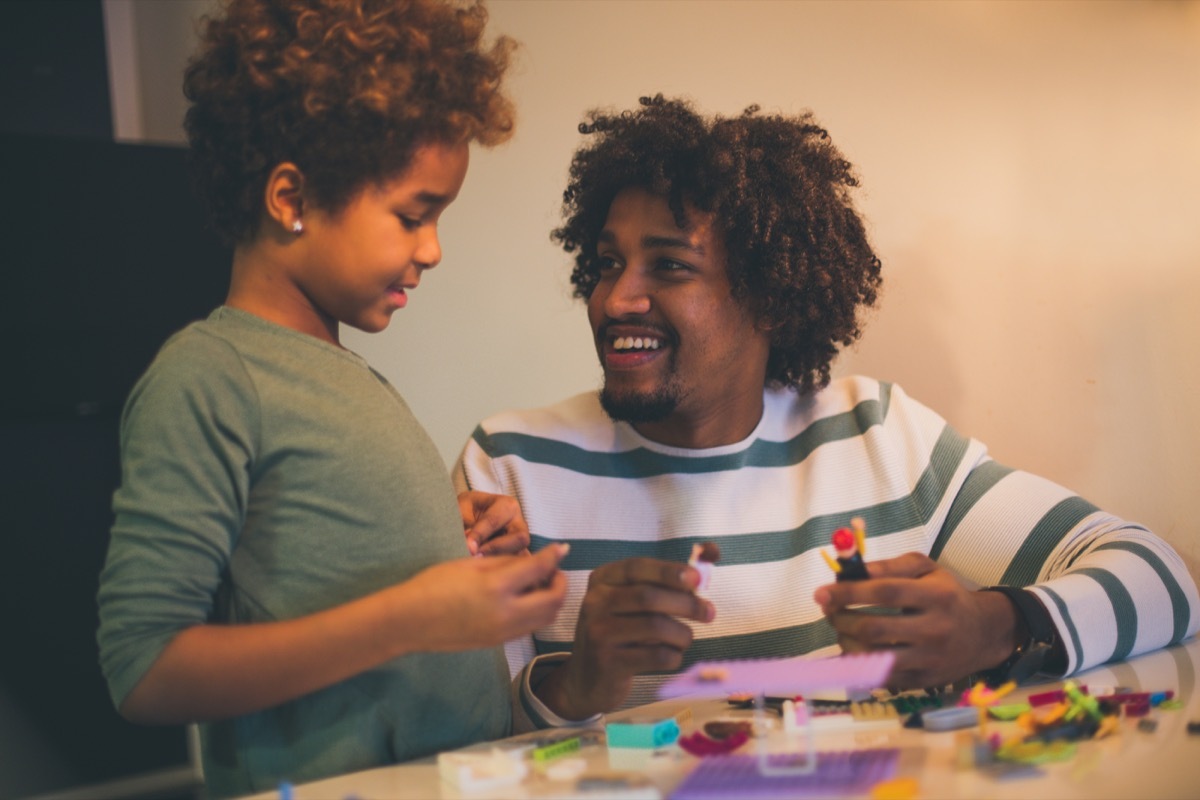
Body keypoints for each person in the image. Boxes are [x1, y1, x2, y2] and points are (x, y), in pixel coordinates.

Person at [455, 94, 1200, 725]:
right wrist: (576, 686)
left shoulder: (878, 435)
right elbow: (450, 746)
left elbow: (1163, 579)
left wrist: (991, 627)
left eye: (670, 265)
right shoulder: (512, 467)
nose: (616, 300)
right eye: (609, 262)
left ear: (771, 298)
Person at [95, 1, 567, 795]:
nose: (434, 250)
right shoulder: (209, 375)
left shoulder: (350, 376)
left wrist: (449, 546)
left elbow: (315, 560)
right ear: (290, 198)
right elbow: (144, 669)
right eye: (413, 215)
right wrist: (414, 615)